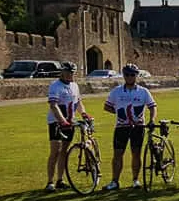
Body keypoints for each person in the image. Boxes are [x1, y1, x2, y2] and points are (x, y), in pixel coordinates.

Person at [102, 63, 157, 191]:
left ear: (136, 76)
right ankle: (115, 181)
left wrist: (152, 119)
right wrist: (121, 113)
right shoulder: (116, 91)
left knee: (136, 154)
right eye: (127, 75)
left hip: (138, 127)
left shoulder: (144, 92)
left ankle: (135, 180)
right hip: (122, 127)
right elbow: (107, 106)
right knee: (117, 154)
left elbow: (152, 106)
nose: (130, 77)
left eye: (132, 75)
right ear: (123, 76)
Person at [45, 61, 91, 192]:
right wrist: (62, 120)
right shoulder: (55, 86)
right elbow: (54, 105)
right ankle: (50, 181)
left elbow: (78, 102)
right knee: (55, 151)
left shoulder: (75, 86)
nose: (70, 75)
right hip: (56, 123)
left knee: (64, 150)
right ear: (62, 72)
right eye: (68, 72)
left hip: (70, 122)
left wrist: (83, 113)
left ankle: (60, 179)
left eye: (72, 73)